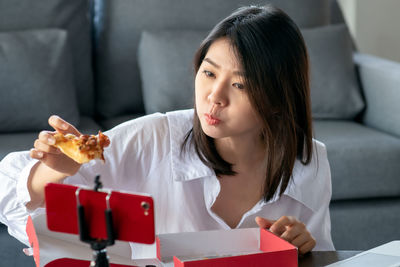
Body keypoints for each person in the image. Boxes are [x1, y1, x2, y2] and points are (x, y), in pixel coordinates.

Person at [0, 4, 334, 260]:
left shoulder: (309, 160)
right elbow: (11, 197)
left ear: (279, 99)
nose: (214, 97)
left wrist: (299, 248)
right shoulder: (156, 137)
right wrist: (53, 172)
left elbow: (318, 257)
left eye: (239, 84)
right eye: (208, 73)